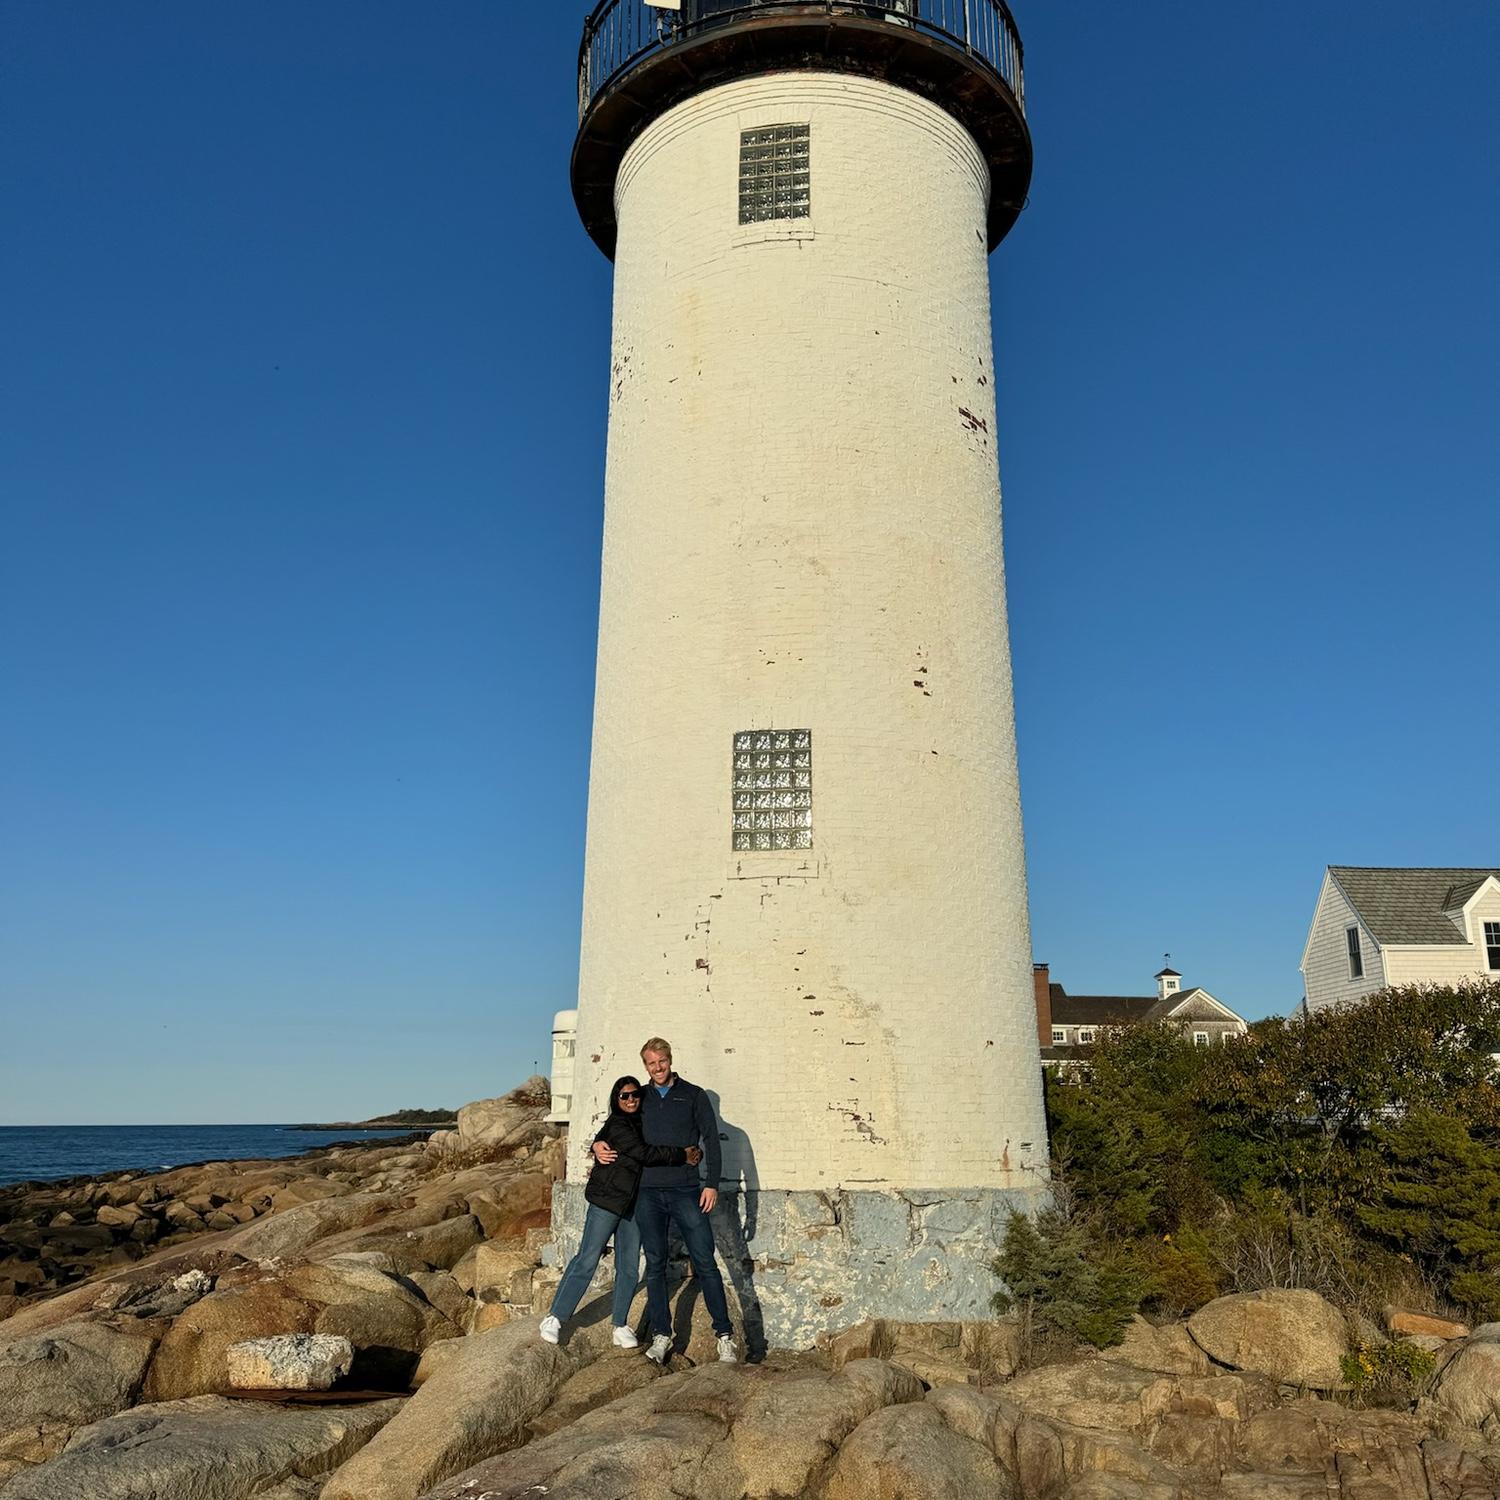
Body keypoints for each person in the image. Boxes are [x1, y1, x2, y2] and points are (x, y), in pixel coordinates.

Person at [593, 1036, 735, 1364]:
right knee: (655, 1265)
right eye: (651, 1063)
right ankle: (661, 1334)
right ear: (645, 1066)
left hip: (686, 1190)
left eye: (662, 1061)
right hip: (648, 1193)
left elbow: (711, 1140)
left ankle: (724, 1336)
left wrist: (711, 1184)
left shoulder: (694, 1095)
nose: (657, 1068)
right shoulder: (639, 1097)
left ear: (670, 1060)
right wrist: (596, 1145)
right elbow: (614, 1125)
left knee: (705, 1261)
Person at [540, 1074, 700, 1347]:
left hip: (636, 1204)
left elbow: (617, 1139)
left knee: (628, 1266)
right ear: (616, 1099)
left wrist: (595, 1143)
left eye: (635, 1094)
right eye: (624, 1095)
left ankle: (620, 1324)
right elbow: (643, 1153)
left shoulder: (644, 1120)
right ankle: (555, 1317)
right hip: (609, 1200)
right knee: (588, 1258)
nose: (631, 1099)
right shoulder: (618, 1123)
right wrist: (682, 1155)